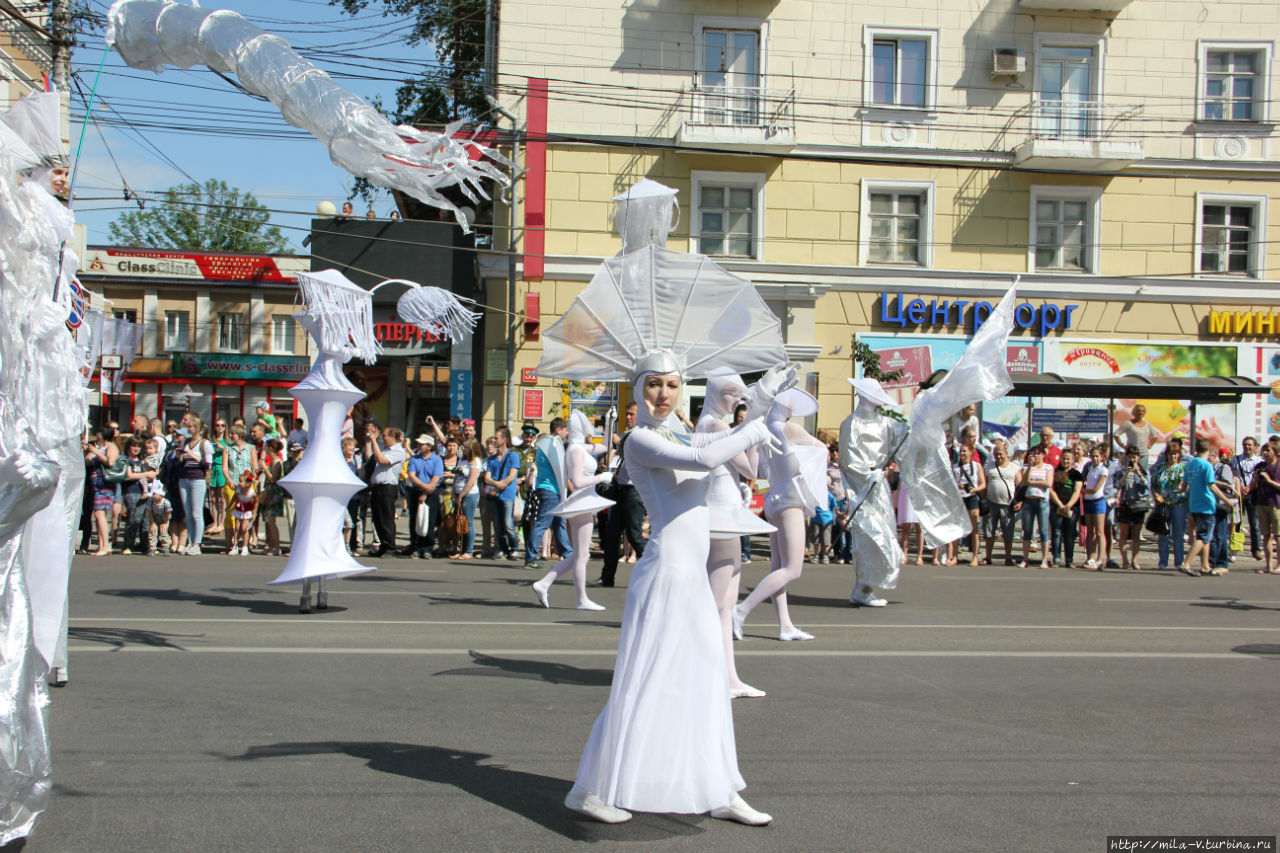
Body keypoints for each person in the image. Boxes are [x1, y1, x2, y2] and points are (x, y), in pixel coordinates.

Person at [565, 356, 786, 826]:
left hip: (690, 578)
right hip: (664, 574)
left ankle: (719, 787)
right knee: (644, 681)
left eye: (671, 385)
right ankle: (592, 789)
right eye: (652, 385)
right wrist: (751, 429)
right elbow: (704, 457)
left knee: (707, 681)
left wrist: (761, 401)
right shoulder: (639, 439)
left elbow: (711, 441)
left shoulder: (678, 432)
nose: (662, 394)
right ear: (636, 388)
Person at [697, 373, 773, 699]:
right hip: (720, 515)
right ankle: (712, 675)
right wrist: (755, 423)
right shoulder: (714, 425)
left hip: (726, 514)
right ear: (715, 393)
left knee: (725, 603)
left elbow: (750, 468)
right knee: (717, 603)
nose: (735, 400)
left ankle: (728, 677)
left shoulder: (718, 425)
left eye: (738, 395)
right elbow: (746, 467)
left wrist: (753, 433)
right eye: (730, 394)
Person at [733, 388, 826, 639]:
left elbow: (757, 468)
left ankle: (785, 625)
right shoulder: (790, 429)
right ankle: (740, 610)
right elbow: (822, 448)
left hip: (773, 500)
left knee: (778, 568)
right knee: (792, 569)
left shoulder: (763, 429)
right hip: (788, 502)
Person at [531, 411, 613, 610]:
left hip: (584, 501)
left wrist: (610, 422)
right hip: (581, 501)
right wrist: (601, 478)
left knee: (579, 554)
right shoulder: (576, 450)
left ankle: (544, 584)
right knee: (582, 555)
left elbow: (605, 445)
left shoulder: (579, 447)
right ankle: (581, 599)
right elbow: (577, 482)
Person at [596, 401, 648, 587]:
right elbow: (622, 460)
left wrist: (612, 431)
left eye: (631, 414)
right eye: (626, 413)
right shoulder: (628, 434)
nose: (628, 417)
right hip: (621, 488)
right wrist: (609, 471)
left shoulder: (642, 435)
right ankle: (607, 576)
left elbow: (627, 448)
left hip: (634, 492)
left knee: (634, 535)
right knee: (611, 536)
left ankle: (656, 569)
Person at [1180, 438, 1237, 577]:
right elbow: (1212, 486)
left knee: (1205, 535)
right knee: (1204, 536)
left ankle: (1205, 566)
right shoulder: (1206, 465)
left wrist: (1182, 492)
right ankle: (1186, 563)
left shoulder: (1190, 464)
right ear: (1209, 450)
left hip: (1194, 504)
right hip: (1206, 504)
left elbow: (1183, 486)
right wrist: (1227, 501)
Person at [525, 417, 572, 570]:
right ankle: (531, 558)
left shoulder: (547, 444)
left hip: (551, 488)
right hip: (550, 489)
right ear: (559, 430)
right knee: (542, 523)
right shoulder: (552, 445)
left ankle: (569, 555)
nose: (567, 433)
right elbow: (559, 467)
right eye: (566, 430)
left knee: (559, 524)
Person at [365, 423, 407, 557]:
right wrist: (369, 443)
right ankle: (383, 545)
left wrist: (374, 441)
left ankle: (390, 546)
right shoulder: (383, 448)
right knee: (377, 518)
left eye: (384, 436)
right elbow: (371, 458)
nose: (382, 439)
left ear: (392, 437)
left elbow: (383, 461)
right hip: (377, 487)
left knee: (386, 518)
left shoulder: (398, 451)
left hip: (388, 487)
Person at [176, 416, 212, 555]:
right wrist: (181, 454)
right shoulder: (185, 441)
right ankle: (190, 542)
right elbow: (181, 461)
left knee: (197, 513)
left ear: (197, 428)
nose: (189, 429)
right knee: (188, 513)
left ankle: (197, 543)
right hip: (184, 478)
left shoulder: (205, 443)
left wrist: (193, 455)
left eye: (191, 427)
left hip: (198, 479)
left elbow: (208, 464)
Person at [483, 426, 521, 560]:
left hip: (507, 494)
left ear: (504, 440)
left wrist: (499, 486)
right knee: (498, 525)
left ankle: (515, 548)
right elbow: (487, 477)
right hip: (495, 495)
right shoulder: (492, 459)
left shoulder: (513, 455)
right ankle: (503, 549)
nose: (494, 440)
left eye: (496, 438)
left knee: (508, 523)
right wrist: (496, 484)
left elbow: (512, 475)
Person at [1115, 445, 1153, 570]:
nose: (1132, 459)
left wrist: (1139, 474)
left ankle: (1135, 560)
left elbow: (1148, 486)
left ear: (1138, 458)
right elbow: (1117, 485)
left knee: (1136, 535)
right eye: (1130, 457)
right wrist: (1126, 473)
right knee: (1124, 534)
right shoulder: (1121, 471)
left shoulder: (1143, 471)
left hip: (1138, 504)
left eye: (1134, 457)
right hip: (1125, 504)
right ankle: (1125, 560)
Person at [405, 434, 443, 559]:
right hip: (415, 491)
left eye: (422, 444)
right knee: (415, 520)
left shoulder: (437, 459)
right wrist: (423, 488)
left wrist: (426, 492)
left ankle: (427, 548)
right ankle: (416, 547)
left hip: (431, 492)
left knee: (429, 521)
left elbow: (436, 477)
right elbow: (412, 475)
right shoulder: (415, 458)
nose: (419, 446)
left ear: (429, 446)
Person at [1153, 438, 1189, 570]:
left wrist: (1182, 488)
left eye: (1175, 454)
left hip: (1178, 503)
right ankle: (1163, 561)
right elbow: (1154, 486)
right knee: (1163, 534)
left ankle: (1179, 562)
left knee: (1178, 535)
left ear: (1179, 455)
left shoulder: (1183, 468)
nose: (1173, 456)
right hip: (1163, 504)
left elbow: (1187, 486)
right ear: (1166, 455)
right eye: (1171, 454)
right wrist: (1156, 495)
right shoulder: (1160, 469)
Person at [82, 428, 117, 556]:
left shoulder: (111, 447)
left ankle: (106, 545)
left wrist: (97, 452)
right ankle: (102, 545)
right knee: (98, 514)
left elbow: (110, 462)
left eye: (99, 436)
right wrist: (89, 451)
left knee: (99, 513)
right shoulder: (99, 447)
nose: (97, 439)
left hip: (105, 485)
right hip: (96, 485)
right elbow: (86, 462)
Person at [983, 442, 1020, 565]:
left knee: (1008, 532)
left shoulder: (1014, 468)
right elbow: (984, 483)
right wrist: (983, 501)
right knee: (989, 531)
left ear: (1007, 454)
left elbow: (1020, 486)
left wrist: (1019, 502)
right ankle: (988, 557)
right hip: (991, 503)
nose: (998, 456)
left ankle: (1008, 557)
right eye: (995, 454)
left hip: (1008, 505)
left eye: (1000, 454)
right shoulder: (989, 466)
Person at [1017, 445, 1054, 569]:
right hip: (1028, 501)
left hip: (1042, 501)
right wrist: (1030, 467)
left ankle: (1044, 560)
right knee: (1027, 531)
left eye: (1038, 453)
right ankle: (1025, 559)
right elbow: (1025, 481)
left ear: (1043, 455)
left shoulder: (1048, 467)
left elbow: (1048, 483)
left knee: (1043, 531)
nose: (1036, 456)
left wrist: (1033, 482)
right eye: (1033, 453)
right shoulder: (1026, 467)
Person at [221, 425, 256, 554]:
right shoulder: (228, 449)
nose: (231, 436)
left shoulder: (250, 448)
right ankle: (230, 544)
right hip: (232, 484)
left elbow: (254, 467)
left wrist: (250, 480)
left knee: (246, 516)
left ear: (240, 434)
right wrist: (230, 480)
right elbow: (224, 468)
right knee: (231, 514)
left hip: (246, 486)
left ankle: (245, 544)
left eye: (233, 433)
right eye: (230, 433)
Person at [952, 442, 986, 566]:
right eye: (961, 451)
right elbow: (951, 483)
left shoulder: (976, 466)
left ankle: (975, 557)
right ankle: (954, 556)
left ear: (971, 453)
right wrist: (959, 486)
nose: (962, 454)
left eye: (965, 451)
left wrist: (973, 489)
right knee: (957, 528)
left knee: (974, 529)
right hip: (959, 498)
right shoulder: (955, 467)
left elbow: (983, 484)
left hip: (971, 497)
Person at [1048, 448, 1083, 568]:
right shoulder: (1054, 472)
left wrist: (1068, 506)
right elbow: (1051, 490)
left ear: (1073, 460)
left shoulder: (1076, 474)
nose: (1065, 461)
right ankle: (1056, 559)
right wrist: (1060, 505)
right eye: (1063, 458)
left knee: (1070, 534)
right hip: (1057, 507)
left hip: (1072, 508)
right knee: (1056, 533)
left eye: (1068, 459)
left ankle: (1069, 560)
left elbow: (1077, 491)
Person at [1232, 437, 1263, 560]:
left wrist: (1249, 488)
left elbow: (1258, 478)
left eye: (1250, 445)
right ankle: (1235, 549)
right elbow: (1234, 475)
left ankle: (1256, 549)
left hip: (1252, 493)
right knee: (1237, 523)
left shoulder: (1259, 461)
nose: (1247, 447)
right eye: (1245, 445)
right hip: (1238, 493)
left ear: (1255, 446)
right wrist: (1240, 489)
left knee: (1254, 523)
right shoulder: (1236, 459)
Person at [1250, 441, 1280, 573]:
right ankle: (1269, 565)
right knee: (1266, 535)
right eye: (1264, 451)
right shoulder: (1260, 466)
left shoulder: (1278, 466)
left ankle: (1279, 565)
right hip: (1261, 503)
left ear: (1275, 451)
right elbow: (1252, 487)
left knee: (1278, 536)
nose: (1265, 453)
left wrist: (1269, 481)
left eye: (1268, 450)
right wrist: (1256, 479)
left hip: (1276, 504)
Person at [452, 438, 483, 559]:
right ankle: (460, 549)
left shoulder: (475, 461)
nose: (463, 450)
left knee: (467, 522)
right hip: (458, 492)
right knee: (459, 522)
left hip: (469, 495)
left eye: (465, 447)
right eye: (463, 447)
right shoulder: (461, 459)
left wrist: (461, 495)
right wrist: (454, 492)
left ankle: (468, 550)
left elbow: (471, 481)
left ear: (471, 449)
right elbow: (456, 476)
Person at [1079, 446, 1109, 570]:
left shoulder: (1103, 470)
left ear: (1102, 457)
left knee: (1100, 532)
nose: (1095, 458)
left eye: (1097, 456)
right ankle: (1090, 557)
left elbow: (1096, 488)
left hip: (1098, 501)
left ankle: (1100, 559)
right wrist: (1084, 491)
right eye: (1093, 456)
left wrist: (1082, 491)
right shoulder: (1089, 468)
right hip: (1088, 502)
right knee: (1089, 531)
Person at [208, 418, 229, 536]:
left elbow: (232, 452)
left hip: (222, 467)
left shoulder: (228, 440)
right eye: (217, 425)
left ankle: (222, 523)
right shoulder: (211, 440)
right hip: (212, 468)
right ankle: (214, 523)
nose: (220, 428)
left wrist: (223, 448)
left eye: (222, 425)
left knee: (222, 498)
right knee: (213, 499)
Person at [228, 471, 257, 556]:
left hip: (247, 511)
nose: (239, 483)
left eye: (241, 481)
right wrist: (229, 506)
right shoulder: (238, 490)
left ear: (247, 484)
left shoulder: (252, 492)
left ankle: (245, 547)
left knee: (244, 528)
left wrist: (254, 513)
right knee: (237, 528)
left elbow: (256, 502)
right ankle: (235, 546)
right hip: (239, 510)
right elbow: (234, 497)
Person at [144, 481, 173, 555]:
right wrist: (152, 523)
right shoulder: (150, 501)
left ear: (160, 495)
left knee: (163, 531)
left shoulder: (166, 503)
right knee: (153, 531)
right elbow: (149, 512)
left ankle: (165, 547)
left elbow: (168, 514)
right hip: (154, 518)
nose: (152, 496)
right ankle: (152, 547)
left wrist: (166, 523)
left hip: (164, 519)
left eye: (154, 494)